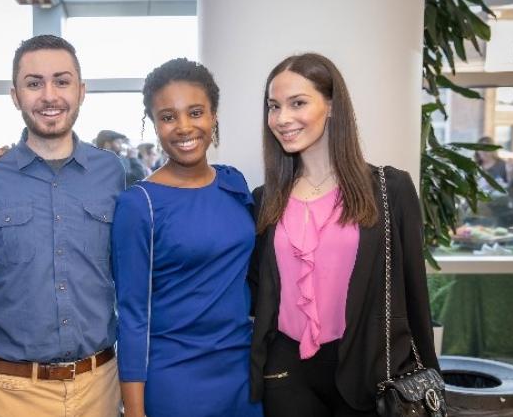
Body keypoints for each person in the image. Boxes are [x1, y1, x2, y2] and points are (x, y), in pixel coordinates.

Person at [249, 53, 439, 416]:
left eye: (298, 103)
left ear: (332, 106)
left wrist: (430, 380)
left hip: (370, 371)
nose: (282, 118)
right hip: (287, 372)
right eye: (274, 106)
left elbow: (415, 294)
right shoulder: (265, 199)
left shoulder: (389, 189)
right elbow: (259, 290)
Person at [0, 35, 123, 417]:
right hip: (13, 392)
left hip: (100, 386)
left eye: (62, 81)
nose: (49, 95)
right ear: (15, 95)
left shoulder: (111, 172)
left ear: (82, 91)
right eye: (34, 83)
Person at [113, 58, 263, 417]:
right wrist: (134, 412)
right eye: (168, 117)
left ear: (213, 115)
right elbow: (132, 316)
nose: (183, 127)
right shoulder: (139, 205)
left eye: (195, 112)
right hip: (177, 381)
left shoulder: (233, 183)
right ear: (154, 124)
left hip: (243, 373)